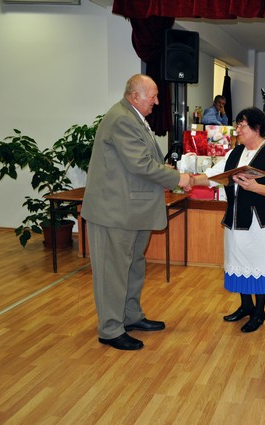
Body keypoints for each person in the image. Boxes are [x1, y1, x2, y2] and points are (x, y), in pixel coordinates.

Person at [82, 74, 192, 351]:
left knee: (133, 266)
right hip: (114, 211)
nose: (157, 102)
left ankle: (130, 316)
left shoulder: (133, 117)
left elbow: (141, 162)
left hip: (131, 209)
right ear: (135, 96)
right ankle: (110, 329)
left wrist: (166, 172)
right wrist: (177, 178)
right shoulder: (122, 119)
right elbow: (140, 164)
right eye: (152, 96)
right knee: (113, 272)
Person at [191, 107, 265, 333]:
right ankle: (246, 306)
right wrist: (191, 180)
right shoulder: (234, 153)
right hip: (237, 219)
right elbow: (214, 176)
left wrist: (255, 187)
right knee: (240, 263)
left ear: (256, 128)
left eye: (242, 125)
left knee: (258, 265)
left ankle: (259, 312)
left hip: (262, 223)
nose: (238, 129)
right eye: (237, 125)